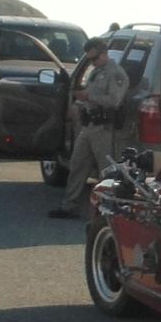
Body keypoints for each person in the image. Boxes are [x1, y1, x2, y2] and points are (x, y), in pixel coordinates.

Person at [52, 37, 129, 218]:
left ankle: (108, 211)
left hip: (104, 128)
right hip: (89, 126)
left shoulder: (115, 73)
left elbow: (114, 101)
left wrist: (88, 96)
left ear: (104, 54)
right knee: (77, 165)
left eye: (94, 58)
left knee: (107, 171)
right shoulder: (96, 72)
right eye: (89, 60)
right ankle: (69, 206)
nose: (92, 63)